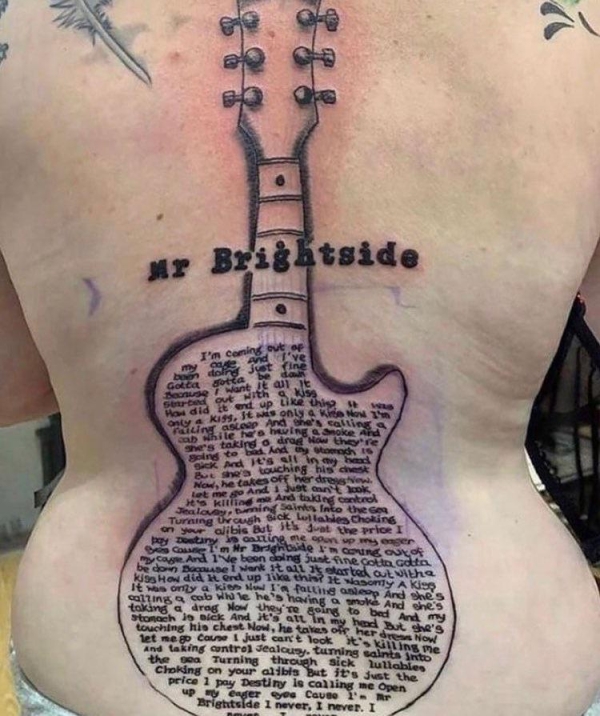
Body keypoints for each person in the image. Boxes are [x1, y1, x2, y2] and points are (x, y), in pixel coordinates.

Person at [1, 1, 600, 715]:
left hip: (108, 667)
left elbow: (14, 388)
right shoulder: (576, 31)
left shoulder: (19, 27)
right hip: (503, 666)